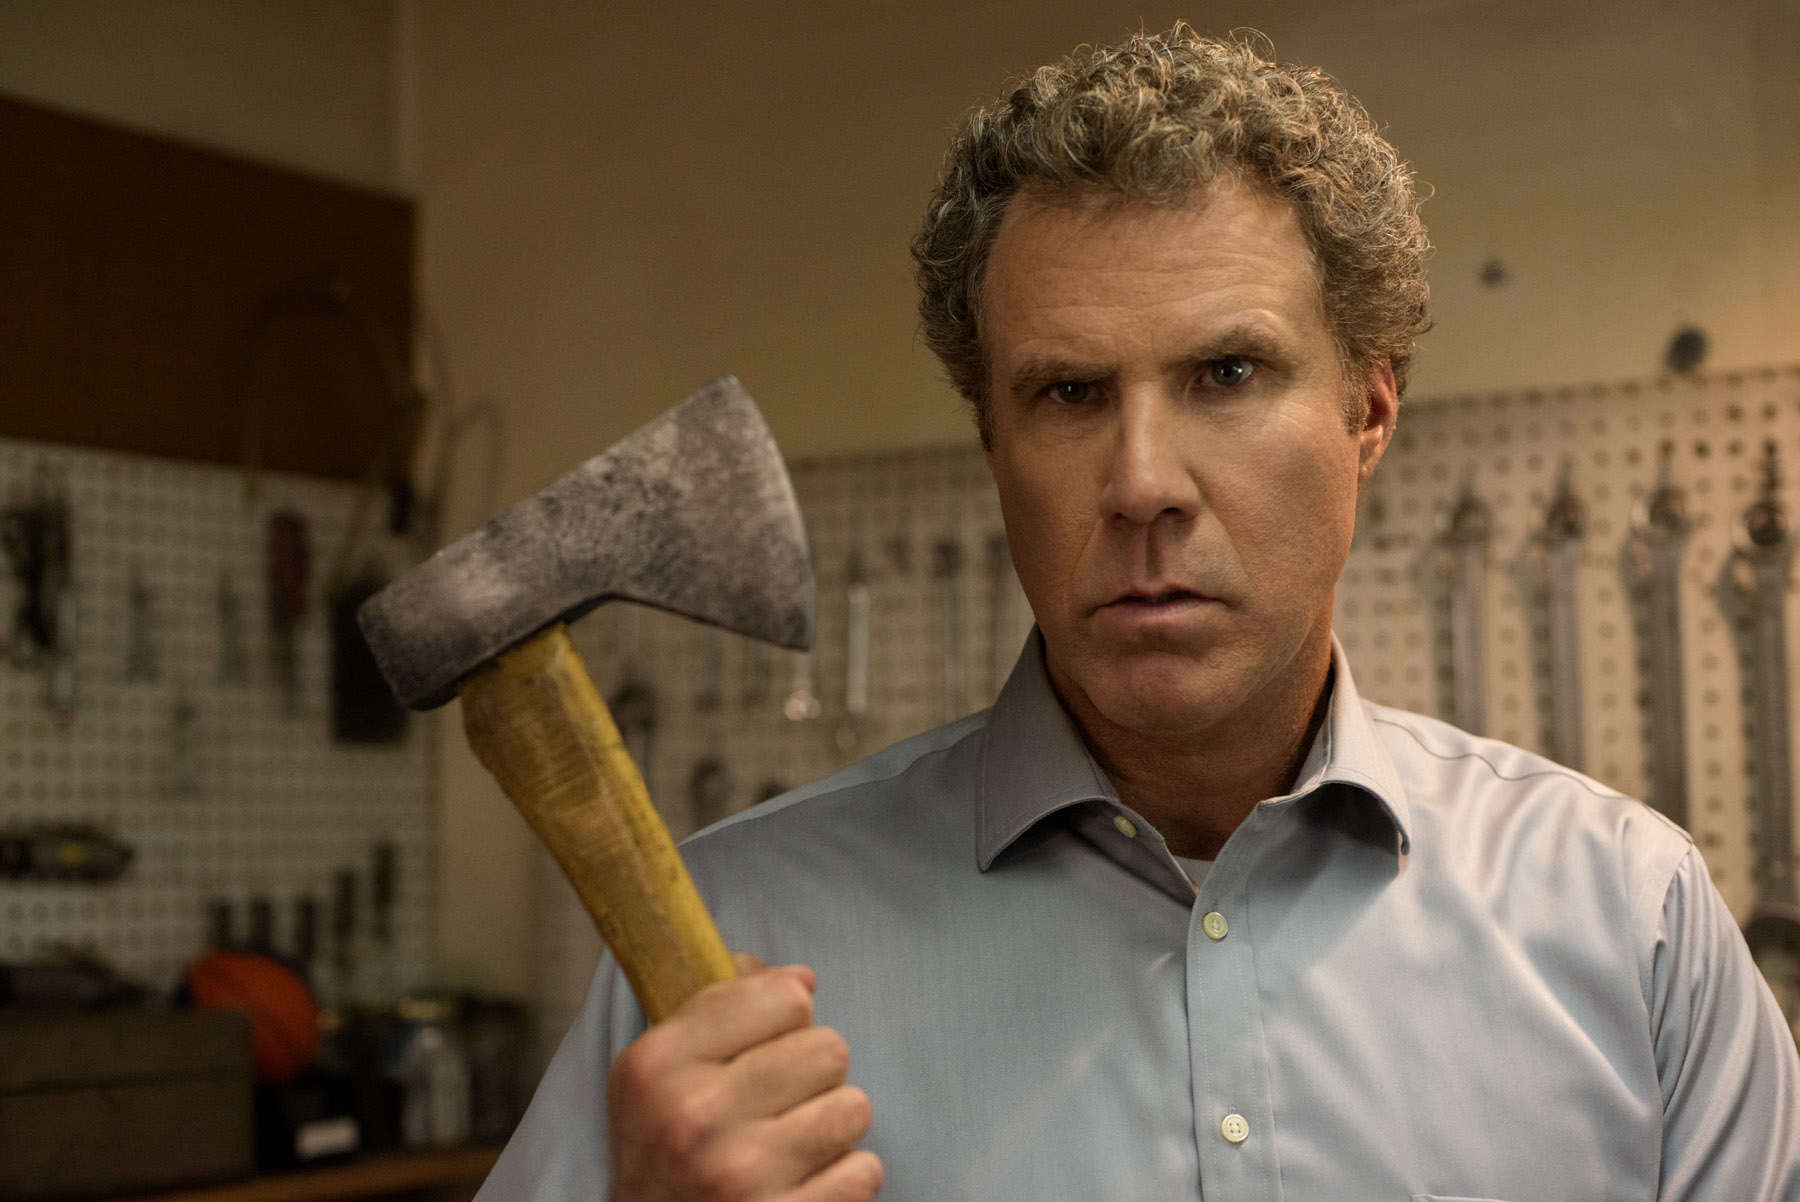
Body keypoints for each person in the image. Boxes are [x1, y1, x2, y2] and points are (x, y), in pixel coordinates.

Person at [477, 26, 1800, 1201]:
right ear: (992, 441)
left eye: (1226, 373)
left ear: (1369, 412)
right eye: (1068, 394)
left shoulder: (1632, 927)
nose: (1143, 483)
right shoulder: (731, 948)